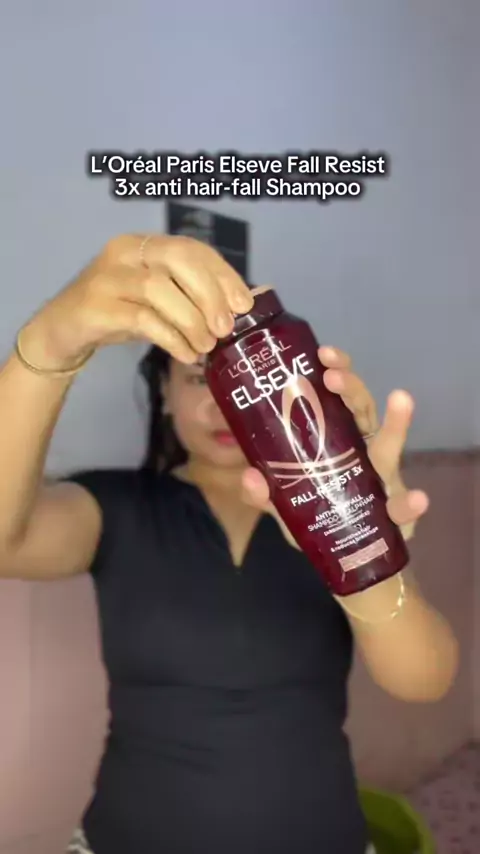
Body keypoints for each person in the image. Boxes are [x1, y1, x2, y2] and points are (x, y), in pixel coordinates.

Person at [0, 234, 458, 854]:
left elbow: (425, 681)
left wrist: (368, 559)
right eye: (197, 378)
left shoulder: (333, 516)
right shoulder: (115, 507)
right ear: (163, 395)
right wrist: (49, 343)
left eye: (255, 382)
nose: (222, 404)